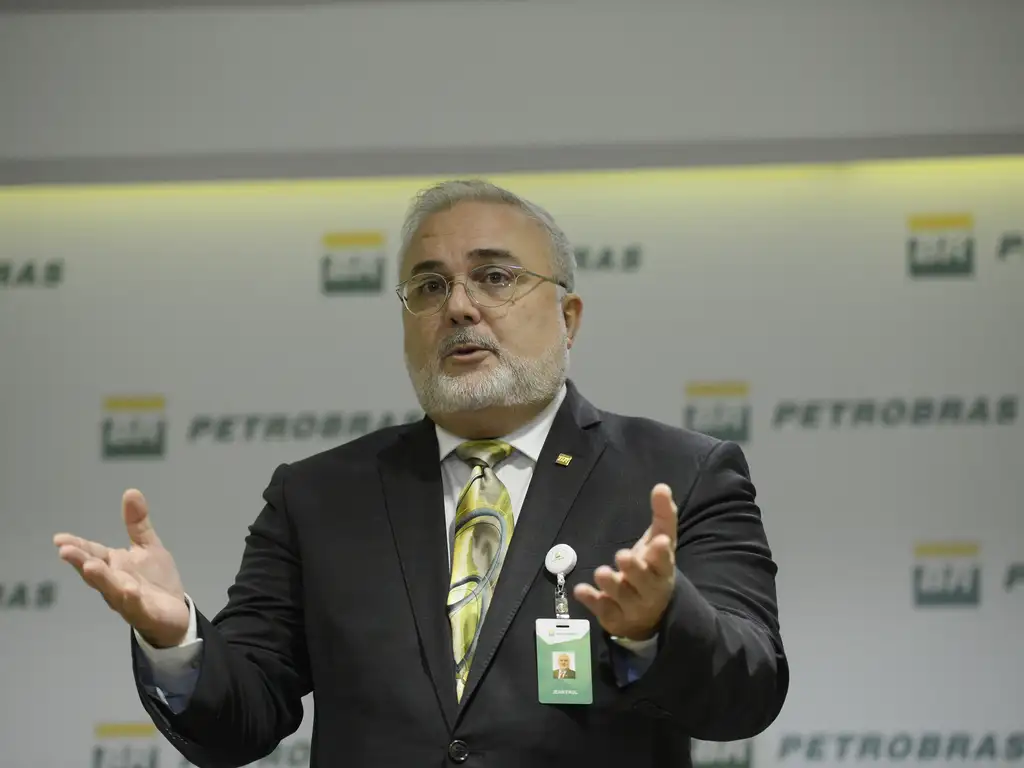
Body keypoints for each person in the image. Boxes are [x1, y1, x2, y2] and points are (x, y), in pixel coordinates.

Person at [53, 179, 789, 768]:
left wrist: (660, 626)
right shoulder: (318, 497)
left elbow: (749, 693)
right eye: (429, 287)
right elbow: (240, 719)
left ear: (568, 318)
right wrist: (177, 637)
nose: (460, 306)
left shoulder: (681, 475)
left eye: (494, 277)